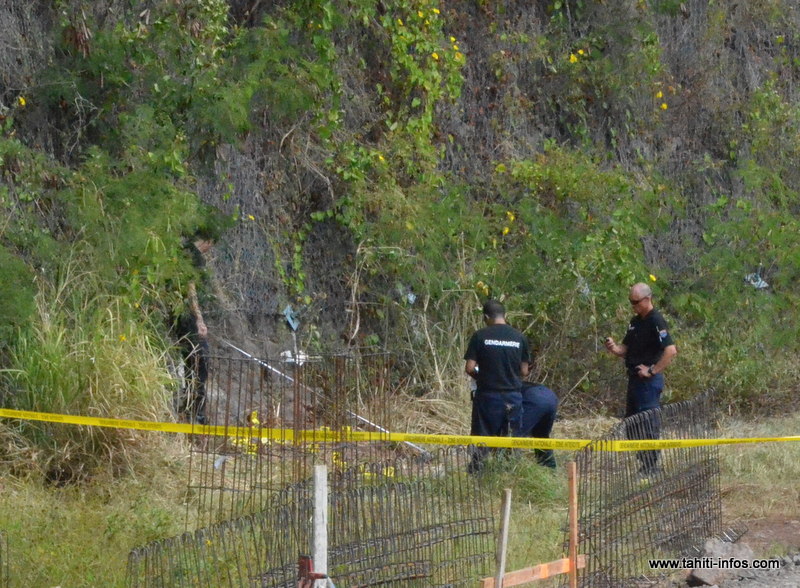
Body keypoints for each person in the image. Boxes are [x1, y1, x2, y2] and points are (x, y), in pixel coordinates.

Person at [604, 282, 677, 475]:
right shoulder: (635, 322)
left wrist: (652, 370)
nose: (633, 306)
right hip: (634, 380)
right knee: (632, 424)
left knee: (648, 424)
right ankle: (643, 463)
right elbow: (625, 349)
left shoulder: (656, 320)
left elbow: (671, 351)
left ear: (647, 299)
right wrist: (614, 348)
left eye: (636, 302)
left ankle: (651, 467)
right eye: (631, 302)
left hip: (648, 383)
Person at [464, 299, 530, 473]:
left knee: (481, 440)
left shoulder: (480, 336)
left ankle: (478, 474)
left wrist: (482, 378)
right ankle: (509, 474)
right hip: (513, 396)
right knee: (511, 439)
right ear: (505, 315)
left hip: (487, 396)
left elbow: (469, 368)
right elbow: (524, 371)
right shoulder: (519, 337)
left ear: (486, 317)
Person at [173, 236, 213, 425]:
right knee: (200, 361)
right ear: (207, 241)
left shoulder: (180, 252)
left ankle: (189, 407)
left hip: (177, 317)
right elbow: (191, 290)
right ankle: (196, 412)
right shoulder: (193, 255)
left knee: (192, 363)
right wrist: (199, 320)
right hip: (188, 320)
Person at [520, 383, 558, 468]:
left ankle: (506, 470)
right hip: (550, 396)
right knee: (541, 436)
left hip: (533, 397)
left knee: (512, 438)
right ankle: (549, 469)